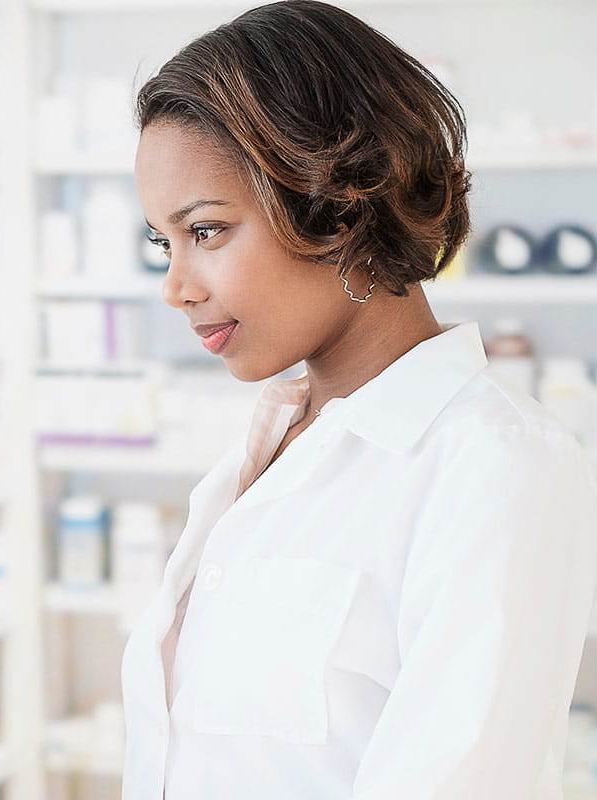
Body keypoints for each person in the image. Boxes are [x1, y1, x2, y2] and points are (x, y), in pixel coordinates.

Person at [119, 2, 597, 797]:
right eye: (160, 242)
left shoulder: (496, 468)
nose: (174, 286)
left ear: (340, 204)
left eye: (204, 231)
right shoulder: (278, 435)